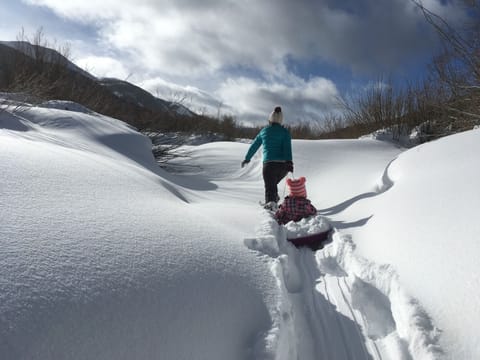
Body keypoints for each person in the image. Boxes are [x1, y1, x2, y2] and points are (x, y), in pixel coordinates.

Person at [241, 106, 293, 210]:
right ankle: (274, 199)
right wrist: (289, 162)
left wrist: (247, 158)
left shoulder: (264, 131)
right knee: (272, 185)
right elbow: (287, 148)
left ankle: (270, 211)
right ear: (281, 120)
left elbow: (254, 146)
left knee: (270, 187)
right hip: (283, 166)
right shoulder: (285, 132)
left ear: (270, 118)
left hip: (269, 165)